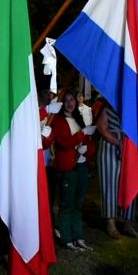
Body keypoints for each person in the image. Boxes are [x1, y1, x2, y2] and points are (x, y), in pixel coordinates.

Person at [49, 90, 96, 250]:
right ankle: (67, 238)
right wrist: (81, 135)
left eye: (72, 100)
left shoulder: (78, 118)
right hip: (67, 168)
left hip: (81, 166)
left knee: (78, 203)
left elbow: (89, 143)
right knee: (67, 203)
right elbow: (64, 143)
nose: (70, 103)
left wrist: (87, 148)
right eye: (67, 100)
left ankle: (78, 236)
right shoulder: (58, 121)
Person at [95, 99, 138, 238]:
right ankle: (111, 223)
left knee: (130, 184)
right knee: (109, 184)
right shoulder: (106, 104)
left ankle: (128, 223)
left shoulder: (133, 103)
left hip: (130, 146)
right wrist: (118, 142)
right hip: (110, 146)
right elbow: (102, 128)